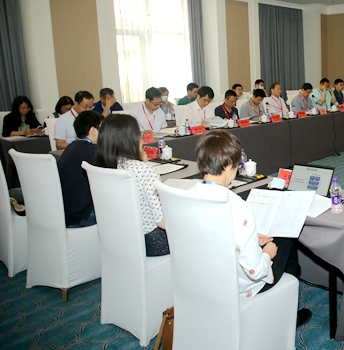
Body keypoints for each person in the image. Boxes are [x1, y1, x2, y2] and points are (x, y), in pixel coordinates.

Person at [190, 130, 312, 326]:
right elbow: (255, 270)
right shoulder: (237, 206)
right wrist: (267, 254)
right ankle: (289, 312)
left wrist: (253, 238)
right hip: (241, 284)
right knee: (285, 239)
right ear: (228, 164)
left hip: (203, 275)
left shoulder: (187, 195)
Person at [96, 114, 169, 256]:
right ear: (131, 139)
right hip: (153, 241)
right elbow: (161, 221)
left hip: (120, 236)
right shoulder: (144, 170)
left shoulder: (104, 166)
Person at [58, 111, 103, 228]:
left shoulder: (71, 147)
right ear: (93, 130)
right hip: (82, 215)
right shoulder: (94, 151)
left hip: (65, 212)